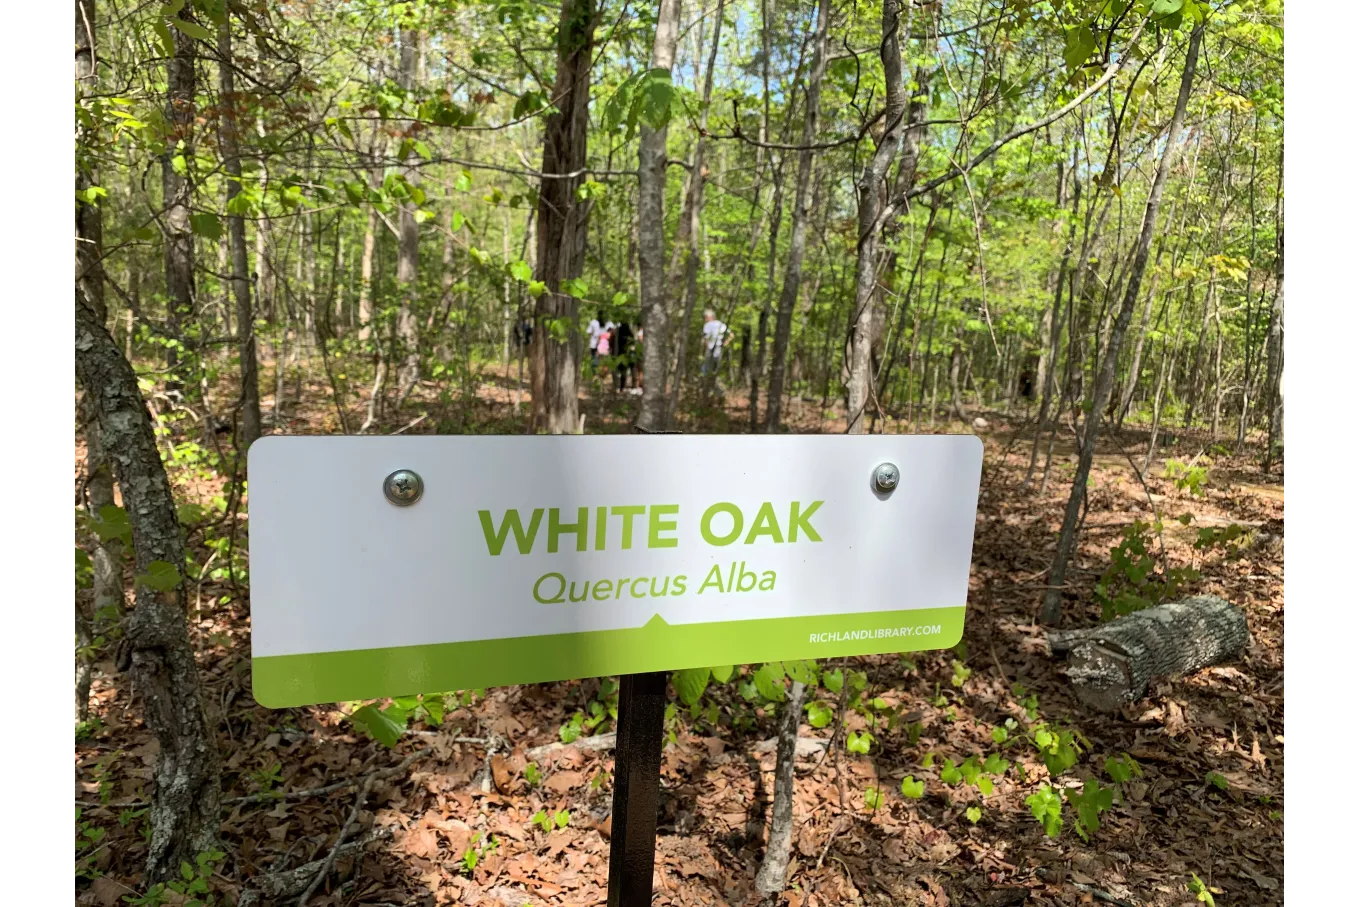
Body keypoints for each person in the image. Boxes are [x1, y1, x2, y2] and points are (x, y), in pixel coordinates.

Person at [700, 309, 730, 379]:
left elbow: (706, 338)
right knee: (716, 367)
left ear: (709, 317)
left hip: (712, 349)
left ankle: (706, 378)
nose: (705, 319)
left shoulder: (707, 325)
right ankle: (714, 378)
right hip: (719, 348)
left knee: (706, 367)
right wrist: (725, 343)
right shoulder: (721, 324)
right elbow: (731, 335)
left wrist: (708, 346)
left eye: (705, 317)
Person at [614, 320, 638, 392]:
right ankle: (633, 386)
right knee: (632, 370)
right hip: (630, 355)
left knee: (623, 372)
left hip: (623, 355)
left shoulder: (619, 334)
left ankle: (622, 387)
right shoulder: (630, 335)